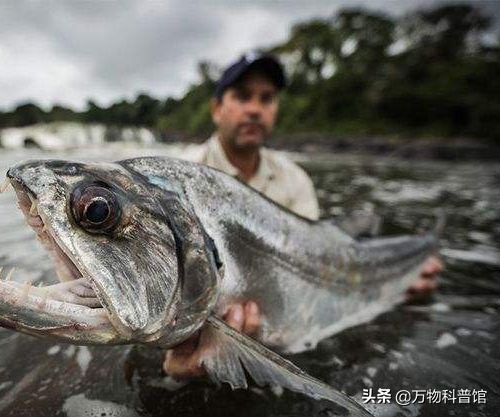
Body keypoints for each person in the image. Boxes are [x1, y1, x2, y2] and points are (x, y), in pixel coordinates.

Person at [164, 53, 442, 379]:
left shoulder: (295, 179)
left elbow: (318, 260)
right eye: (241, 96)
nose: (254, 108)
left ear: (275, 111)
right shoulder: (175, 183)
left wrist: (398, 286)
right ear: (216, 109)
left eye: (266, 99)